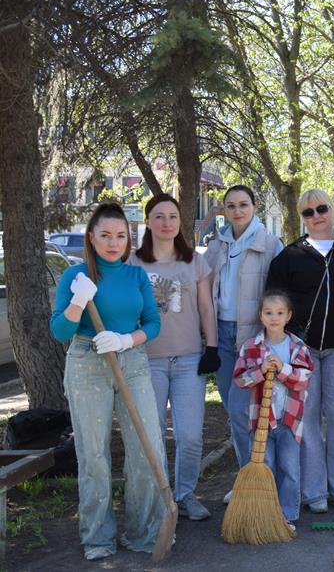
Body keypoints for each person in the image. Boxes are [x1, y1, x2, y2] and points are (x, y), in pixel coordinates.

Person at [50, 202, 163, 561]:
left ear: (129, 239)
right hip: (88, 360)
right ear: (91, 237)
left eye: (120, 236)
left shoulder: (136, 276)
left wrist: (127, 340)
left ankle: (144, 532)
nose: (114, 243)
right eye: (105, 235)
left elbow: (153, 323)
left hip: (131, 359)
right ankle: (97, 537)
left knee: (147, 447)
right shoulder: (75, 277)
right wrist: (79, 301)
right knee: (94, 454)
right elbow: (60, 330)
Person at [265, 189, 334, 514]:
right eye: (308, 212)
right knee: (306, 418)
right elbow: (273, 301)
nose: (316, 216)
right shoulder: (290, 255)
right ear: (302, 217)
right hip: (303, 350)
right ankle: (314, 490)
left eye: (322, 208)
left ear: (333, 209)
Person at [129, 194, 218, 522]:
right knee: (152, 435)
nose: (167, 223)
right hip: (147, 361)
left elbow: (206, 307)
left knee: (190, 435)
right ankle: (162, 498)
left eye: (173, 216)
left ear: (180, 222)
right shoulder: (133, 264)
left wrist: (212, 348)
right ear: (148, 221)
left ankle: (186, 494)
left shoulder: (194, 261)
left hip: (188, 360)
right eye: (159, 216)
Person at [205, 185, 283, 480]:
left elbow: (279, 295)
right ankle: (247, 481)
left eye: (243, 204)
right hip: (221, 335)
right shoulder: (216, 245)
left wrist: (272, 335)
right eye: (231, 206)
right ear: (224, 210)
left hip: (253, 337)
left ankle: (263, 480)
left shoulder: (270, 244)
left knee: (248, 411)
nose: (237, 211)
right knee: (234, 411)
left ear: (254, 207)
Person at [234, 291, 314, 529]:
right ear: (261, 315)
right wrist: (260, 371)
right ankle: (264, 514)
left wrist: (282, 369)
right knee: (264, 465)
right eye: (268, 313)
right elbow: (240, 380)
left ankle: (287, 515)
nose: (274, 318)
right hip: (260, 421)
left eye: (280, 313)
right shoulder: (251, 347)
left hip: (290, 420)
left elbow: (304, 379)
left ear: (288, 316)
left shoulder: (297, 347)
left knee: (289, 468)